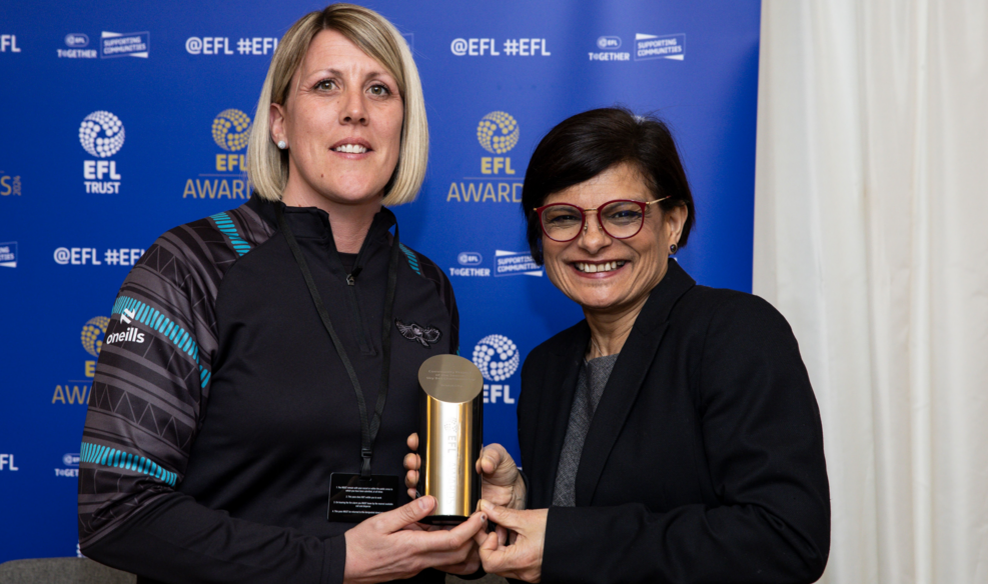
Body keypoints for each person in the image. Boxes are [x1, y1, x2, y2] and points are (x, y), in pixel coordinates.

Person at [77, 5, 487, 584]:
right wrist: (331, 561)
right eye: (326, 86)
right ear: (279, 124)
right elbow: (114, 509)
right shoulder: (191, 265)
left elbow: (438, 514)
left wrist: (468, 526)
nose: (355, 111)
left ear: (404, 122)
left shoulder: (428, 285)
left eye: (379, 89)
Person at [407, 107, 831, 583]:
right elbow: (574, 527)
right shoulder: (547, 367)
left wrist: (566, 540)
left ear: (672, 223)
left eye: (623, 214)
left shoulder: (735, 332)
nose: (592, 240)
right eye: (565, 217)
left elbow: (787, 539)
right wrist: (517, 505)